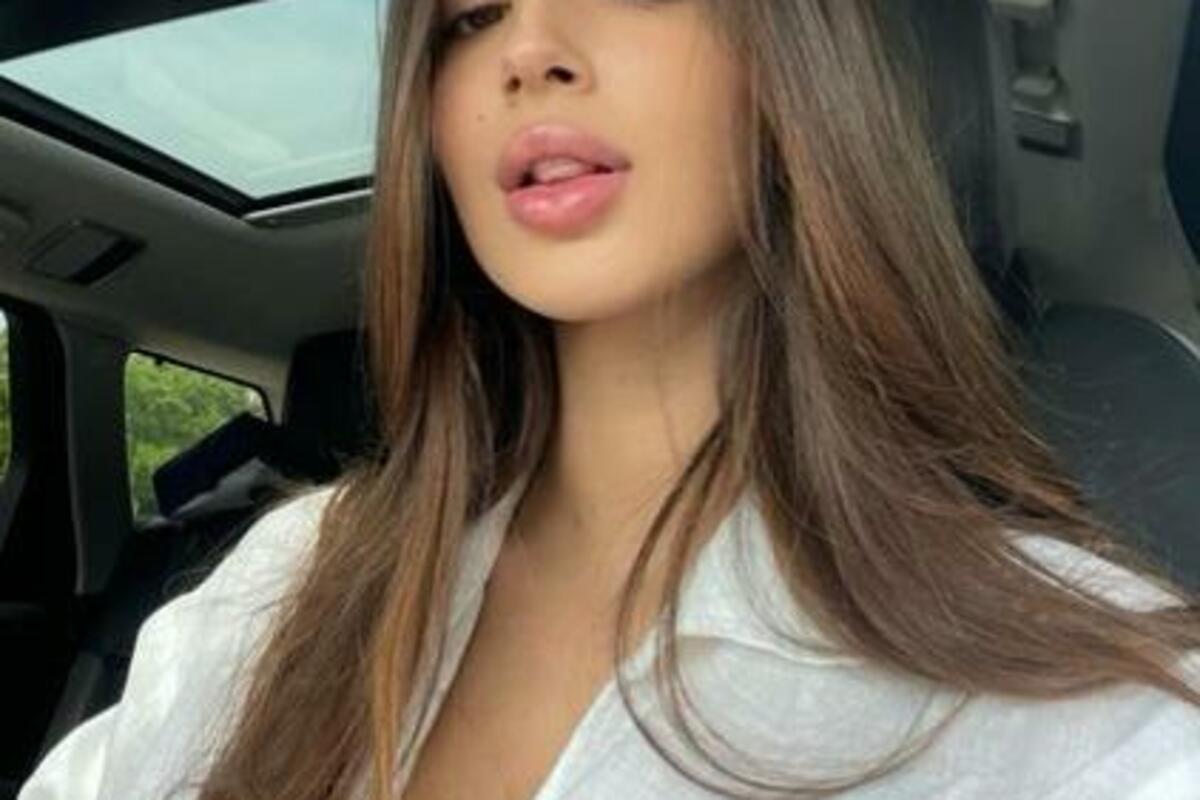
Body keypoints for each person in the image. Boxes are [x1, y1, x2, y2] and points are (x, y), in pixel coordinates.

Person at [19, 0, 1200, 798]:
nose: (528, 48)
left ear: (791, 56)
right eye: (470, 16)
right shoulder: (285, 582)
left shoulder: (1090, 703)